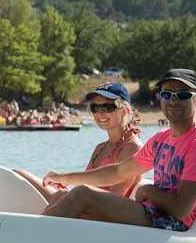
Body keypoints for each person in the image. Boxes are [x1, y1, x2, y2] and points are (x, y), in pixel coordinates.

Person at [41, 69, 196, 231]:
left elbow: (181, 209)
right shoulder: (161, 138)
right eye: (167, 95)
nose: (173, 100)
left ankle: (31, 239)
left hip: (173, 222)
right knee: (63, 195)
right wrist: (65, 178)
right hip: (153, 212)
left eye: (182, 95)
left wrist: (148, 192)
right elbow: (118, 171)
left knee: (82, 195)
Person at [15, 82, 144, 205]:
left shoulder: (132, 147)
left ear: (125, 111)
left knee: (59, 196)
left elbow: (114, 199)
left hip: (102, 216)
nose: (100, 113)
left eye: (107, 107)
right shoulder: (101, 148)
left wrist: (67, 181)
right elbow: (87, 187)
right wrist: (65, 186)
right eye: (95, 107)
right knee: (18, 174)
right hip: (84, 204)